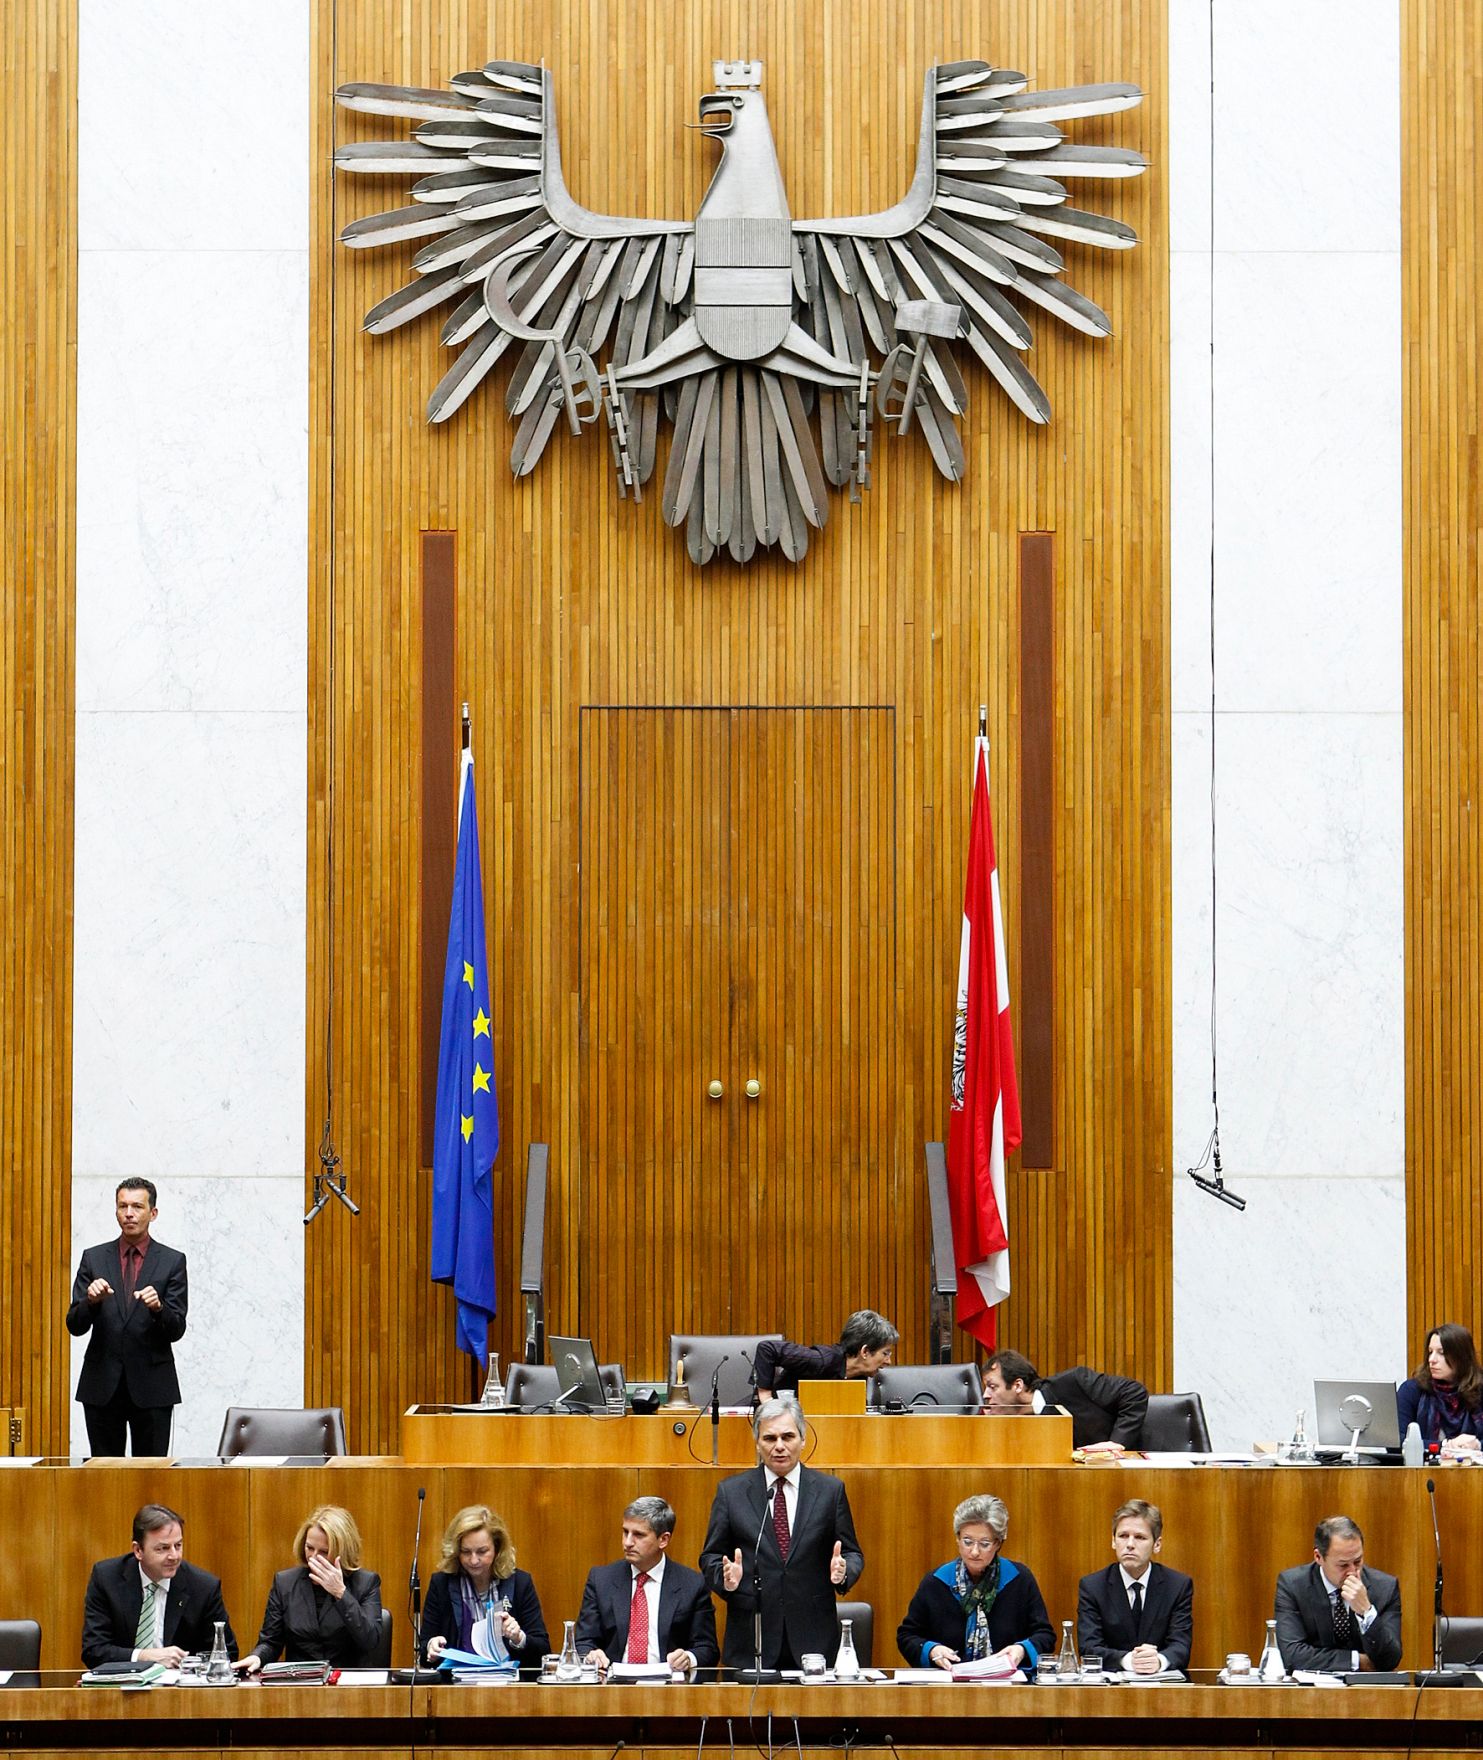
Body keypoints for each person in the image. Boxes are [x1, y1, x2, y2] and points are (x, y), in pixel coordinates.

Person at [700, 1394, 863, 1670]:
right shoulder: (732, 1492)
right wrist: (726, 1579)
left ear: (803, 1439)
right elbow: (711, 1556)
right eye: (769, 1438)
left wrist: (844, 1570)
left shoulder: (829, 1491)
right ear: (757, 1443)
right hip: (752, 1637)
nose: (779, 1447)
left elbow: (851, 1552)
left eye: (787, 1437)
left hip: (813, 1640)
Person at [66, 1179, 188, 1456]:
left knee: (152, 1475)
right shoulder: (94, 1258)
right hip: (102, 1385)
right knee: (105, 1478)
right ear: (116, 1211)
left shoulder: (172, 1261)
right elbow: (74, 1324)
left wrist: (159, 1308)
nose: (129, 1213)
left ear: (152, 1213)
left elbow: (177, 1328)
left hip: (153, 1386)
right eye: (123, 1206)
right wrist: (90, 1302)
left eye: (137, 1206)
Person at [896, 1493, 1054, 1672]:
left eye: (984, 1543)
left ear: (998, 1543)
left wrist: (1022, 1649)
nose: (974, 1551)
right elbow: (907, 1636)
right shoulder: (937, 1581)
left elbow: (1045, 1636)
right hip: (949, 1686)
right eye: (967, 1541)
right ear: (957, 1538)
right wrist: (932, 1650)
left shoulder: (1018, 1579)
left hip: (1008, 1686)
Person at [573, 1495, 719, 1672]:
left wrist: (688, 1658)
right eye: (625, 1532)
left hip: (669, 1687)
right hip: (612, 1686)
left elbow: (707, 1649)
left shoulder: (692, 1584)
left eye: (639, 1535)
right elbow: (583, 1641)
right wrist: (591, 1654)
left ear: (663, 1540)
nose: (627, 1542)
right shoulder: (601, 1579)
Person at [81, 1503, 236, 1668]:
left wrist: (187, 1664)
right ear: (138, 1550)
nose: (174, 1556)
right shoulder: (107, 1578)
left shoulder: (203, 1587)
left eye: (178, 1545)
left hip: (180, 1690)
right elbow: (93, 1651)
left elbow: (227, 1654)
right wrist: (144, 1656)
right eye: (162, 1548)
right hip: (121, 1689)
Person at [237, 1504, 383, 1674]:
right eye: (309, 1548)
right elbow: (271, 1642)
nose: (313, 1557)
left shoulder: (366, 1583)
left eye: (324, 1551)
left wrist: (340, 1594)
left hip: (347, 1685)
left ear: (342, 1552)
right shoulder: (285, 1583)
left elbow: (370, 1640)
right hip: (299, 1684)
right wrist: (257, 1657)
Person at [422, 1504, 549, 1667]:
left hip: (508, 1686)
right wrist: (431, 1646)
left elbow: (543, 1650)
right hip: (454, 1684)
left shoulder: (520, 1583)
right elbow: (425, 1648)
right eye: (466, 1552)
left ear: (497, 1548)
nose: (474, 1560)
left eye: (482, 1551)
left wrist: (519, 1638)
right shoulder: (442, 1584)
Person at [1076, 1499, 1193, 1675]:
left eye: (1140, 1537)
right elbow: (1089, 1648)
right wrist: (1129, 1660)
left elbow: (1180, 1646)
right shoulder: (1093, 1586)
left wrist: (1158, 1661)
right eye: (1123, 1536)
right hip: (1110, 1689)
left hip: (1161, 1687)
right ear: (1113, 1541)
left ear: (1157, 1544)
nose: (1130, 1544)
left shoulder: (1177, 1585)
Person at [1274, 1515, 1402, 1674]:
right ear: (1318, 1557)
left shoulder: (1385, 1588)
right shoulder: (1293, 1586)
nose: (1352, 1572)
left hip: (1369, 1693)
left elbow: (1390, 1659)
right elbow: (1292, 1656)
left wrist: (1366, 1612)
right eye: (1343, 1565)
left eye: (1357, 1561)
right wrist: (1358, 1661)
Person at [982, 1349, 1148, 1452]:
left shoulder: (1073, 1383)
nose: (985, 1395)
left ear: (1017, 1385)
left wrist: (1116, 1442)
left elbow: (1134, 1393)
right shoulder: (1010, 1424)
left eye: (992, 1386)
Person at [752, 1311, 899, 1398]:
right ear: (865, 1352)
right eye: (885, 1353)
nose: (888, 1361)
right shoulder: (820, 1360)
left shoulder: (859, 1377)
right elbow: (767, 1349)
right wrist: (766, 1398)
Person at [1397, 1323, 1483, 1454]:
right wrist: (1445, 1446)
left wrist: (1477, 1445)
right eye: (1430, 1352)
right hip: (1423, 1471)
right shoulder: (1412, 1390)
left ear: (1461, 1357)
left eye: (1441, 1353)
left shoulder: (1479, 1390)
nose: (1432, 1359)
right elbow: (1397, 1441)